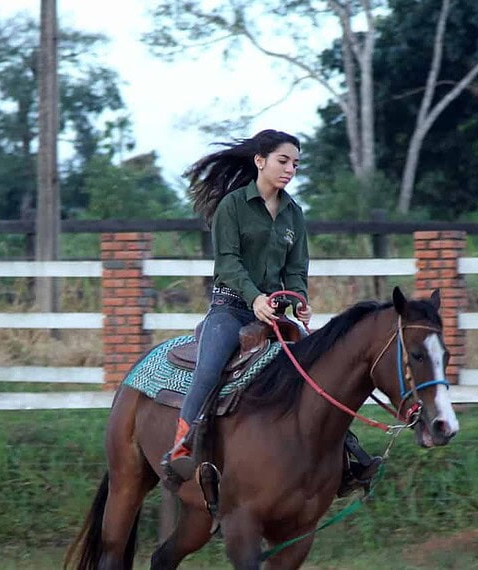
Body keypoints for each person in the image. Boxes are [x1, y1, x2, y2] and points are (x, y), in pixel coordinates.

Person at [161, 129, 382, 495]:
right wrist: (254, 299)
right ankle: (181, 446)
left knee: (319, 372)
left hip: (276, 315)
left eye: (295, 163)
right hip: (230, 308)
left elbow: (296, 268)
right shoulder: (232, 206)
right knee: (210, 366)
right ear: (260, 161)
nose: (290, 169)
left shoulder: (294, 212)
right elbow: (228, 262)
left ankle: (344, 454)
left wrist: (298, 299)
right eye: (283, 161)